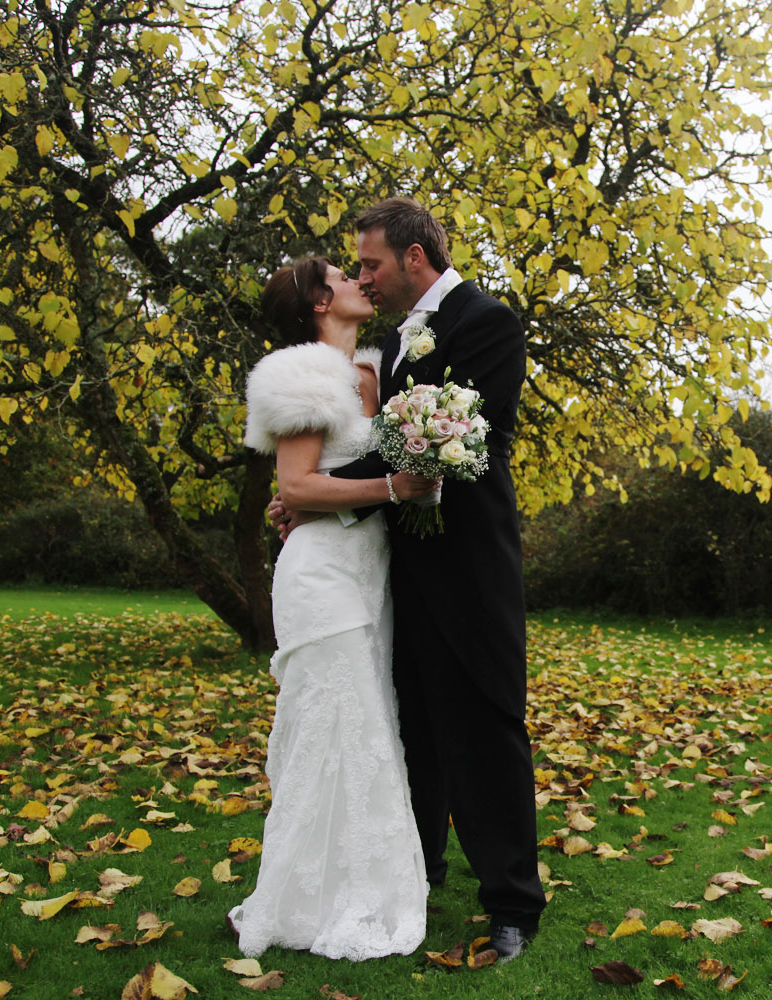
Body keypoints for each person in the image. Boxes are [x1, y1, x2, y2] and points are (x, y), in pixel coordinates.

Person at [280, 197, 546, 962]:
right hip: (400, 573)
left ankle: (512, 904)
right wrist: (311, 494)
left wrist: (316, 492)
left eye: (371, 264)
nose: (363, 275)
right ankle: (418, 873)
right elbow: (388, 450)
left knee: (487, 730)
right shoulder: (395, 341)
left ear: (415, 258)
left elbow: (457, 442)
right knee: (416, 731)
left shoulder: (487, 323)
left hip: (470, 568)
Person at [229, 256, 435, 960]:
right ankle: (311, 900)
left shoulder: (377, 373)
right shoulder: (302, 374)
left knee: (368, 720)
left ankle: (353, 884)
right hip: (319, 578)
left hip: (371, 573)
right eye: (344, 275)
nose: (359, 280)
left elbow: (338, 476)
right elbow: (296, 487)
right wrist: (393, 489)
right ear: (319, 301)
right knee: (342, 724)